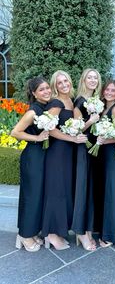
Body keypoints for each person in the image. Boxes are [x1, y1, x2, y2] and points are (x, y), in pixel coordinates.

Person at [41, 70, 87, 250]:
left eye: (65, 80)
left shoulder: (71, 100)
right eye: (59, 83)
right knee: (56, 191)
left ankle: (59, 230)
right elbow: (50, 129)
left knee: (64, 191)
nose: (64, 84)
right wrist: (72, 139)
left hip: (69, 152)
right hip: (57, 152)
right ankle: (51, 234)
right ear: (55, 86)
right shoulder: (56, 102)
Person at [11, 76, 51, 252]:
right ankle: (24, 235)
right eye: (41, 89)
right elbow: (15, 132)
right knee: (31, 196)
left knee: (39, 196)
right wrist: (36, 138)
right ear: (34, 93)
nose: (46, 91)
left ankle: (32, 231)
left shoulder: (47, 108)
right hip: (33, 158)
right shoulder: (33, 112)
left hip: (43, 157)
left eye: (47, 88)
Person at [72, 68, 102, 251]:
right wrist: (91, 121)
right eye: (89, 77)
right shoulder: (79, 102)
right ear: (83, 80)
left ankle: (89, 230)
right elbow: (76, 130)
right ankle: (81, 232)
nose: (93, 80)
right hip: (83, 148)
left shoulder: (95, 101)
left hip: (95, 148)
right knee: (83, 189)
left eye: (95, 78)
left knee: (91, 188)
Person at [96, 80, 115, 247]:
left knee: (113, 193)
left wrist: (105, 140)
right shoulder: (102, 108)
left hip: (114, 155)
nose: (109, 92)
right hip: (103, 155)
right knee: (105, 191)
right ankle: (103, 228)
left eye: (113, 90)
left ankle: (111, 234)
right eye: (107, 89)